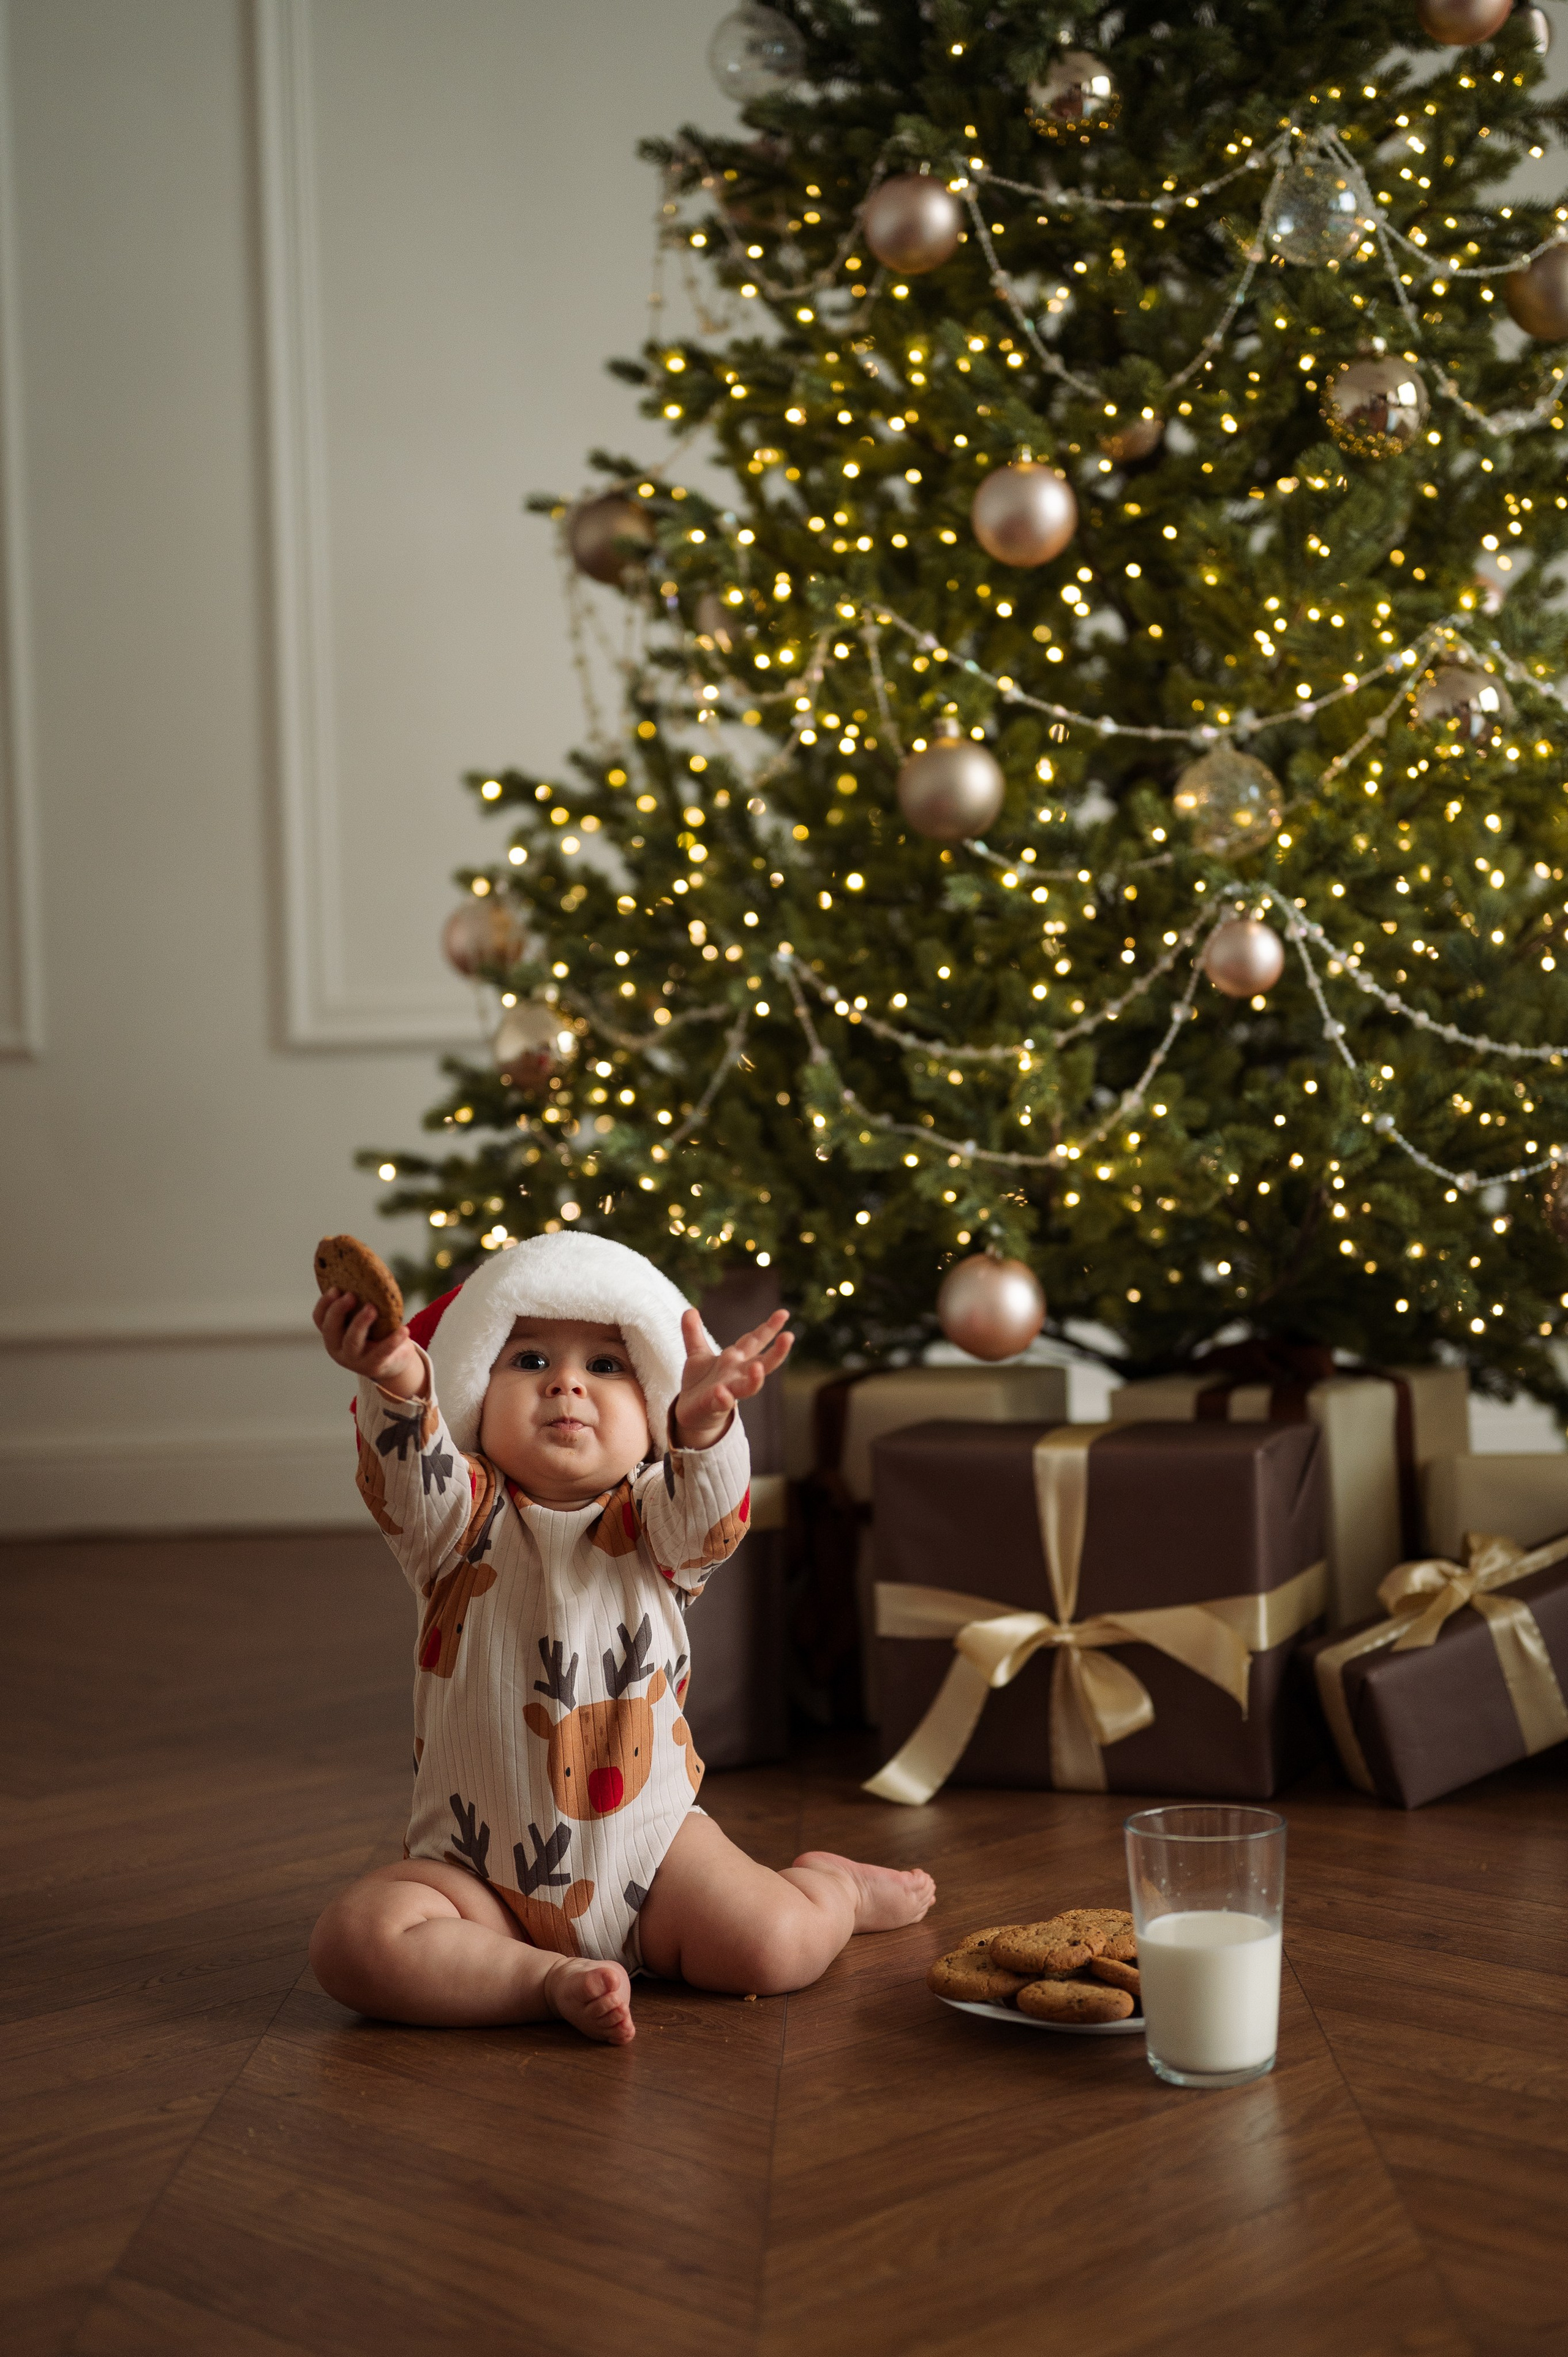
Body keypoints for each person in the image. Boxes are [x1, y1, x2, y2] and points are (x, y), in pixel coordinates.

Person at [307, 1231, 935, 2045]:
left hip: (655, 1857)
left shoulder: (654, 1524)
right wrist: (395, 1377)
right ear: (474, 1391)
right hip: (473, 1876)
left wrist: (705, 1426)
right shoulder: (455, 1522)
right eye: (528, 1360)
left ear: (653, 1409)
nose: (567, 1381)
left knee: (774, 1947)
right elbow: (407, 1473)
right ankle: (547, 1980)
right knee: (355, 1941)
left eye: (607, 1367)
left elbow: (712, 1518)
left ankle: (835, 1893)